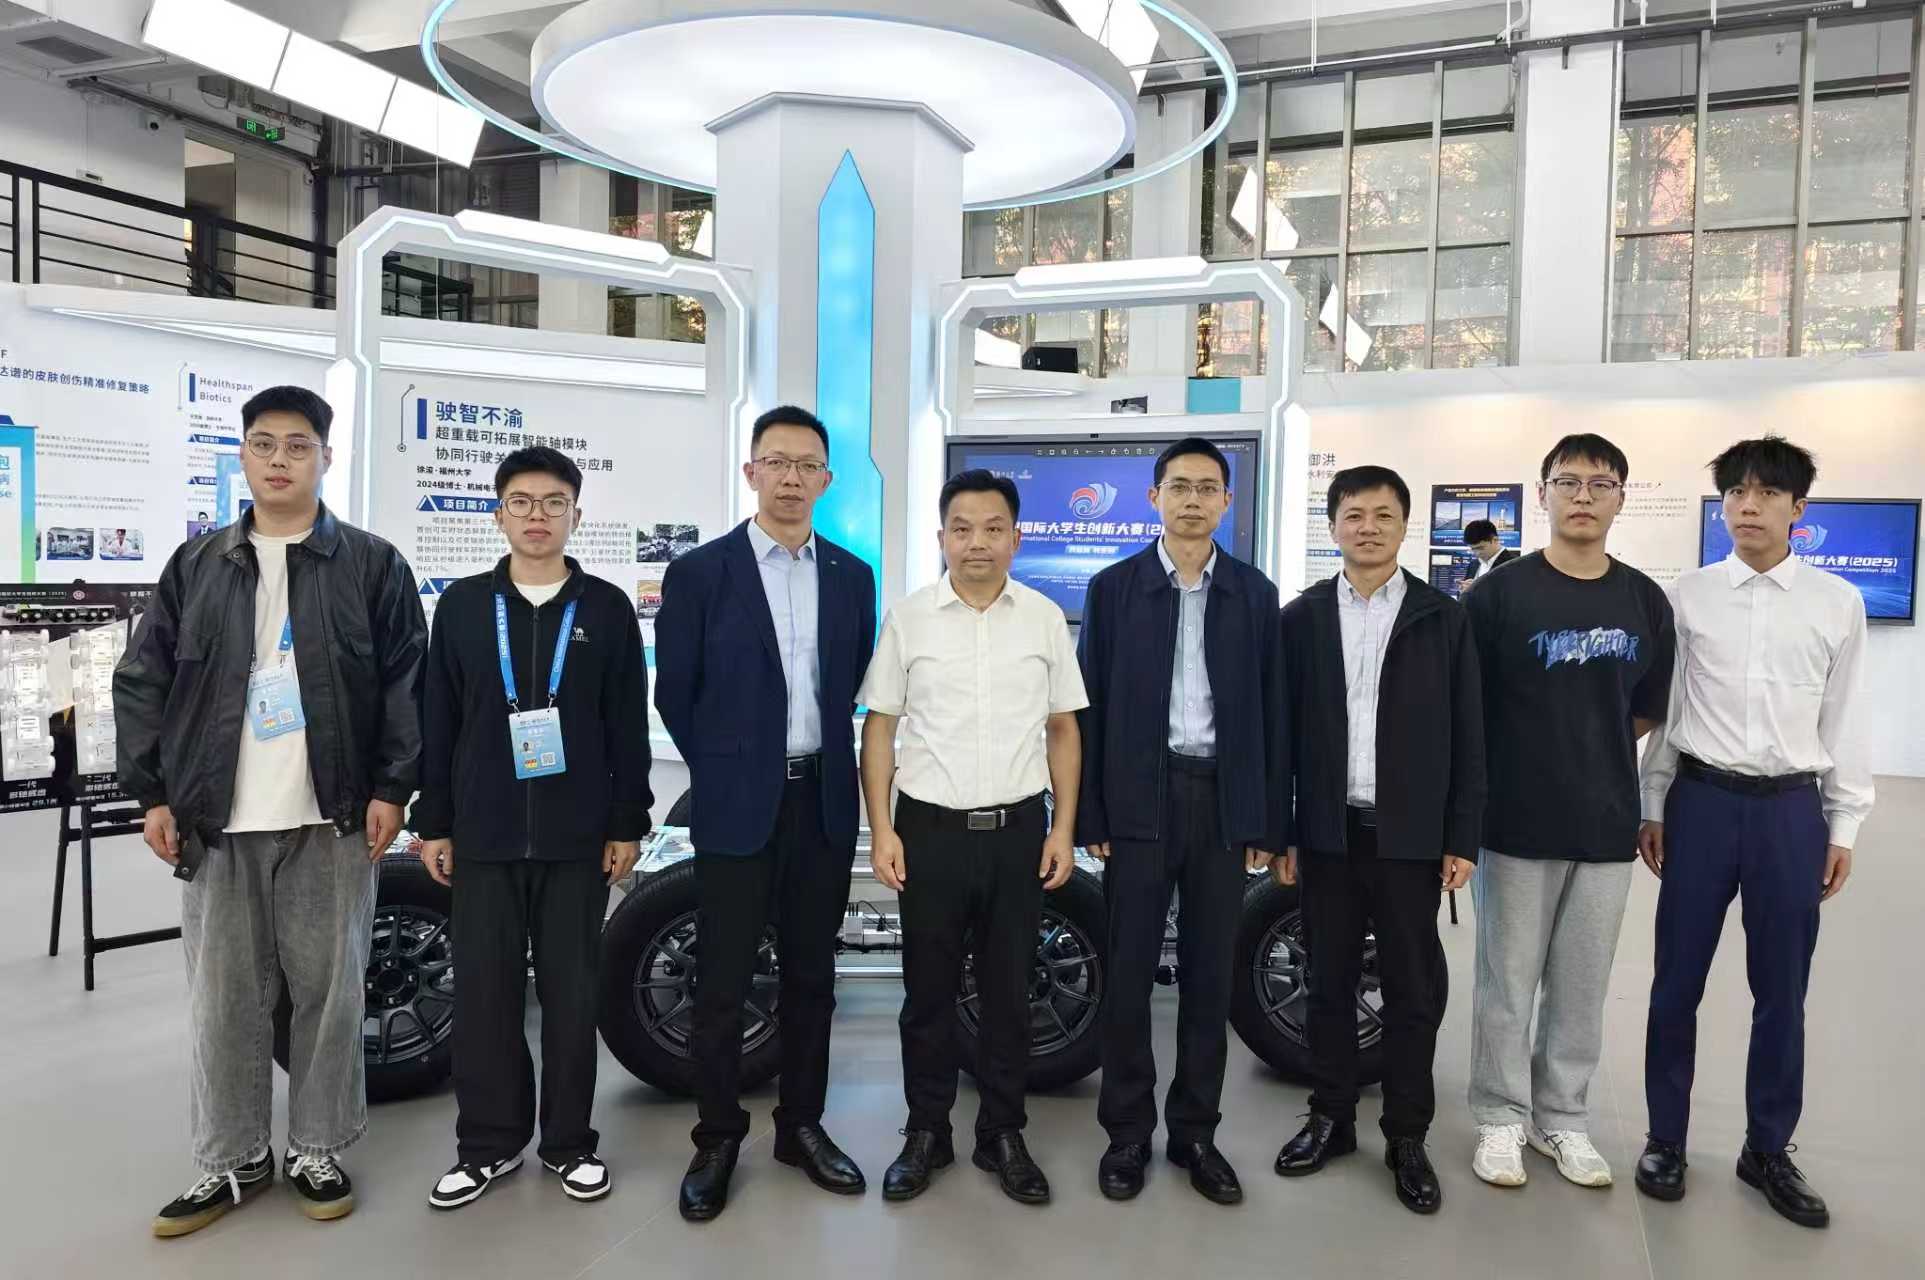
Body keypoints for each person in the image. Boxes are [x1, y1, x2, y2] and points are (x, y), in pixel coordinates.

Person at [115, 385, 427, 1237]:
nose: (279, 460)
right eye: (263, 444)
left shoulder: (372, 565)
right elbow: (142, 681)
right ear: (243, 456)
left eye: (297, 445)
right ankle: (232, 1156)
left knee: (331, 996)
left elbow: (407, 683)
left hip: (332, 817)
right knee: (223, 1001)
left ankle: (317, 1148)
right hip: (217, 820)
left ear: (327, 457)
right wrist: (152, 793)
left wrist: (393, 788)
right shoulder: (197, 565)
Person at [1633, 437, 1870, 1228]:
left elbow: (1845, 716)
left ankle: (1766, 1147)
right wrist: (1653, 802)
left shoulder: (1836, 602)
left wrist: (1842, 823)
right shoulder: (1688, 597)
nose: (1747, 506)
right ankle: (1665, 1137)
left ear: (1797, 509)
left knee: (1781, 992)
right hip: (1700, 803)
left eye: (1766, 493)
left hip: (1789, 812)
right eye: (1735, 492)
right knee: (1675, 983)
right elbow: (1668, 707)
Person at [413, 446, 652, 1211]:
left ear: (576, 514)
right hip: (482, 836)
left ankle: (569, 1143)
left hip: (577, 839)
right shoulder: (462, 606)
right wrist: (434, 821)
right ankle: (487, 1145)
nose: (537, 516)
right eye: (521, 502)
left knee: (571, 996)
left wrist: (627, 821)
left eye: (553, 502)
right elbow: (439, 718)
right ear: (499, 514)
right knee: (484, 998)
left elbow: (626, 726)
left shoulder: (605, 609)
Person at [654, 406, 876, 1222]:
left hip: (820, 801)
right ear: (750, 473)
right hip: (736, 806)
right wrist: (728, 767)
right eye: (775, 462)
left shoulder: (851, 576)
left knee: (812, 977)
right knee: (722, 980)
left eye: (806, 465)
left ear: (826, 479)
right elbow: (674, 692)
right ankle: (717, 1136)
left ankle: (801, 1126)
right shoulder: (699, 573)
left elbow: (848, 680)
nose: (790, 478)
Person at [859, 469, 1087, 1206]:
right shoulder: (910, 618)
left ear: (1016, 538)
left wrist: (1063, 828)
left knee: (1008, 994)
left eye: (993, 529)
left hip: (1017, 831)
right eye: (962, 528)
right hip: (928, 832)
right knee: (926, 995)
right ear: (941, 537)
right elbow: (880, 727)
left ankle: (1002, 1133)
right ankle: (927, 1130)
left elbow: (1063, 728)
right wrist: (883, 828)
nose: (977, 542)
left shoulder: (1043, 618)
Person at [1463, 433, 1675, 1192]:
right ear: (1542, 493)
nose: (1583, 496)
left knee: (1581, 986)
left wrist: (1591, 750)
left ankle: (1562, 1118)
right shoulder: (1496, 596)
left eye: (1599, 483)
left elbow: (1646, 709)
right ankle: (1498, 1117)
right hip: (1513, 822)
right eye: (1567, 481)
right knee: (1507, 981)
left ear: (1621, 497)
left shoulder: (1643, 599)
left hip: (1605, 823)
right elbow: (1467, 705)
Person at [1075, 437, 1283, 1206]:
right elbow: (1088, 705)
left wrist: (1266, 820)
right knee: (1127, 973)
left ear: (1226, 501)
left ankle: (1195, 1133)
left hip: (1222, 804)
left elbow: (1272, 712)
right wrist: (1091, 810)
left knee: (1208, 977)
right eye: (1178, 486)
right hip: (1137, 801)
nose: (1192, 500)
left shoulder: (1254, 594)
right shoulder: (1113, 589)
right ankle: (1126, 1134)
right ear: (1153, 498)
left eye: (1206, 488)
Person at [1272, 465, 1483, 1215]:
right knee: (1327, 984)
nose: (1367, 527)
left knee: (1411, 992)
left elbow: (1469, 734)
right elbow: (1280, 735)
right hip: (1326, 834)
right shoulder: (1299, 618)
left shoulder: (1441, 618)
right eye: (1354, 515)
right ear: (1332, 526)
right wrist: (1282, 831)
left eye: (1383, 515)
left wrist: (1461, 835)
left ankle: (1406, 1135)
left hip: (1408, 839)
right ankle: (1330, 1118)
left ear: (1403, 526)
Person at [1461, 519, 1517, 585]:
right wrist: (1465, 590)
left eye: (1481, 548)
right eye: (1473, 549)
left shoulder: (1515, 565)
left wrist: (1477, 589)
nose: (1477, 553)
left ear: (1495, 540)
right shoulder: (1473, 565)